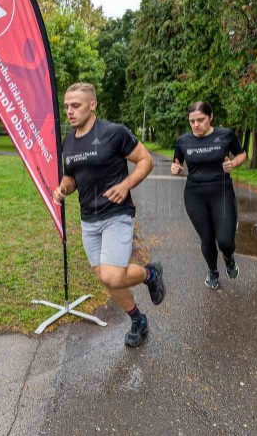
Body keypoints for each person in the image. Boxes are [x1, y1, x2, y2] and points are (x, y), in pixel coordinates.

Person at [53, 82, 164, 347]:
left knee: (112, 275)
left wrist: (126, 184)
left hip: (117, 214)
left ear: (92, 105)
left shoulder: (114, 132)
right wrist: (62, 189)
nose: (70, 111)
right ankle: (138, 319)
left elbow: (145, 160)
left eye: (76, 105)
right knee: (109, 280)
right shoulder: (68, 141)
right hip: (88, 219)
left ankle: (151, 274)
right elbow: (71, 178)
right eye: (67, 106)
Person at [171, 101, 247, 289]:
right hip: (195, 195)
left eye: (201, 120)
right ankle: (213, 271)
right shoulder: (183, 141)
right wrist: (175, 168)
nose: (196, 125)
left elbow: (242, 154)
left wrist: (233, 164)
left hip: (221, 192)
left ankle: (228, 257)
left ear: (211, 117)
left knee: (225, 241)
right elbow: (177, 163)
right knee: (207, 239)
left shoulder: (225, 135)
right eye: (192, 121)